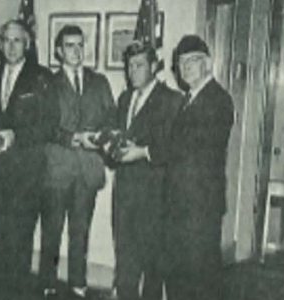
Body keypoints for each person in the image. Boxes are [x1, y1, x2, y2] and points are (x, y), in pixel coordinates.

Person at [120, 35, 234, 300]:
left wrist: (143, 151)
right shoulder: (190, 98)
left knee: (198, 279)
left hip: (199, 206)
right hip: (181, 205)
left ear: (207, 63)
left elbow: (188, 147)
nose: (186, 68)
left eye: (193, 61)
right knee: (180, 279)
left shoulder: (217, 100)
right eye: (181, 63)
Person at [0, 20, 53, 297]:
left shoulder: (43, 77)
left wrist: (15, 135)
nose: (11, 46)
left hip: (26, 176)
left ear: (27, 44)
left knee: (20, 242)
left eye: (17, 40)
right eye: (6, 40)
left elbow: (49, 126)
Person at [39, 25, 115, 299]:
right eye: (70, 45)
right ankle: (47, 283)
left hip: (88, 171)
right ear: (59, 51)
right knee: (52, 232)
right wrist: (72, 137)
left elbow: (112, 119)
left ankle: (78, 284)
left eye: (80, 44)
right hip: (57, 170)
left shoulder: (100, 82)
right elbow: (43, 125)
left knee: (81, 233)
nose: (76, 50)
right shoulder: (47, 83)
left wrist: (101, 137)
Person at [110, 42, 183, 300]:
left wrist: (143, 152)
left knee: (153, 267)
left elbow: (176, 147)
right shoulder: (125, 98)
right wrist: (108, 145)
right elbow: (120, 139)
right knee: (125, 263)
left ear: (154, 66)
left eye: (139, 65)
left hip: (156, 196)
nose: (133, 71)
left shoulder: (173, 100)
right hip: (125, 195)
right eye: (129, 66)